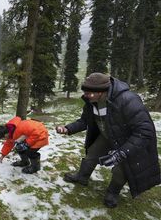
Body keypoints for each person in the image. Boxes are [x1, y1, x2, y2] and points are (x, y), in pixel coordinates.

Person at [56, 72, 160, 208]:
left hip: (128, 142)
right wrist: (68, 129)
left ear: (101, 91)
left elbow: (145, 131)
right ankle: (82, 177)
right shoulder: (91, 101)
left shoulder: (128, 100)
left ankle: (113, 192)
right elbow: (85, 121)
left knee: (120, 170)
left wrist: (121, 153)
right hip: (109, 136)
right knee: (92, 153)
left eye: (89, 92)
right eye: (85, 91)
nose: (85, 95)